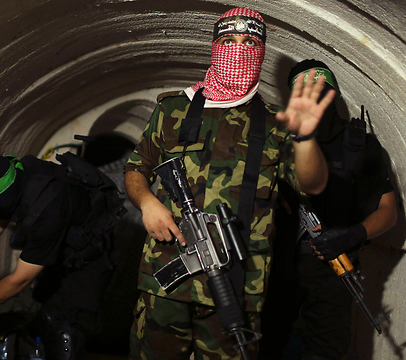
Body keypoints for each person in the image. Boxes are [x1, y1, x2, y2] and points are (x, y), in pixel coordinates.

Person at [123, 7, 336, 360]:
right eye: (228, 40)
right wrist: (147, 202)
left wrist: (306, 138)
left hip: (237, 286)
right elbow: (136, 169)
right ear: (214, 45)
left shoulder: (272, 125)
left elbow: (312, 185)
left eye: (250, 42)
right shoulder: (174, 109)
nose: (238, 49)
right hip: (165, 278)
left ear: (262, 53)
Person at [0, 152, 125, 360]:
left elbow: (20, 279)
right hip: (63, 252)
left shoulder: (48, 210)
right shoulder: (17, 173)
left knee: (67, 333)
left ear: (6, 192)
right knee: (44, 316)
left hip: (90, 262)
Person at [258, 59, 398, 360]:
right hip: (277, 264)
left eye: (323, 92)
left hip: (336, 266)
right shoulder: (276, 141)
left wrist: (353, 234)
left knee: (326, 350)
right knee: (262, 345)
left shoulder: (361, 145)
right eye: (306, 94)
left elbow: (389, 210)